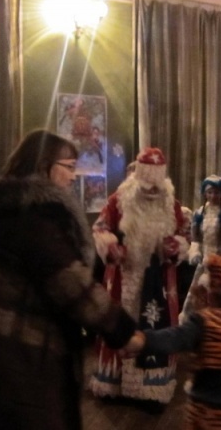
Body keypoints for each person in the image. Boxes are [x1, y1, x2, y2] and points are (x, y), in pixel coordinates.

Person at [0, 129, 137, 430]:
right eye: (69, 167)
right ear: (44, 166)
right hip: (18, 356)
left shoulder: (10, 212)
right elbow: (71, 283)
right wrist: (122, 329)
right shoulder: (34, 217)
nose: (73, 176)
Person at [88, 147, 189, 409]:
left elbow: (185, 234)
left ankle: (151, 387)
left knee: (155, 327)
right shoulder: (118, 201)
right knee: (118, 324)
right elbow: (100, 227)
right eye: (147, 183)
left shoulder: (172, 205)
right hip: (123, 277)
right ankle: (113, 382)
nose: (152, 189)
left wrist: (176, 246)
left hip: (159, 280)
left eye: (157, 183)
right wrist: (110, 246)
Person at [126, 251, 221, 429]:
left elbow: (174, 337)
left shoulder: (204, 321)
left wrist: (143, 340)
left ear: (210, 295)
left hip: (205, 414)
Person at [179, 175, 221, 323]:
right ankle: (195, 324)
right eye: (210, 192)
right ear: (205, 193)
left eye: (216, 192)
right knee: (197, 295)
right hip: (205, 262)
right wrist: (195, 252)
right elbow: (195, 238)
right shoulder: (200, 213)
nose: (213, 196)